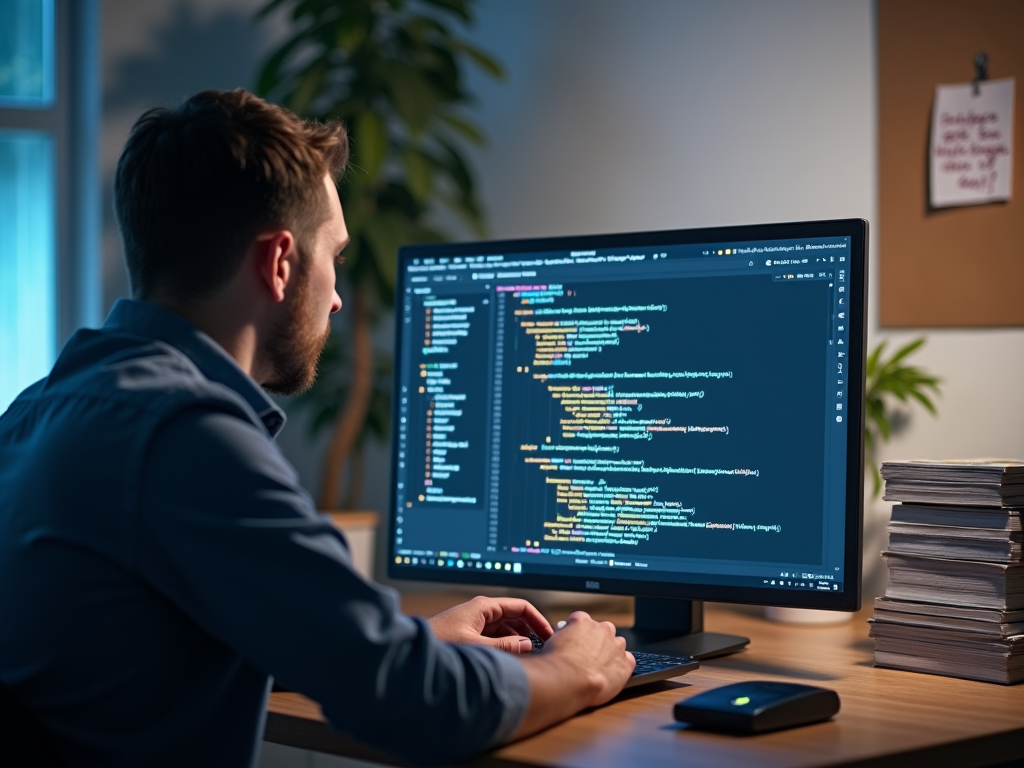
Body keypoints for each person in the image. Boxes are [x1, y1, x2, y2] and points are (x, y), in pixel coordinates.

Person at [0, 88, 634, 767]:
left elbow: (131, 654)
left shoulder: (36, 411)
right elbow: (414, 704)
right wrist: (577, 669)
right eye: (332, 255)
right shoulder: (185, 434)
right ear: (279, 263)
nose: (336, 297)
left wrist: (401, 637)